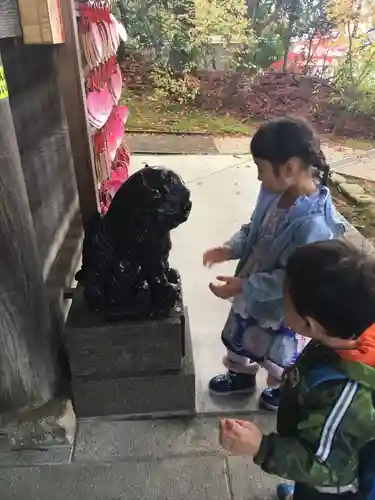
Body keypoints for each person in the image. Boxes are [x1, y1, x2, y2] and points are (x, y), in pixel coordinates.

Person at [203, 116, 345, 410]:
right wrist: (230, 248)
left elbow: (290, 278)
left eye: (261, 169)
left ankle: (284, 388)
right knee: (240, 332)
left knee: (278, 348)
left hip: (282, 304)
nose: (258, 177)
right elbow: (253, 229)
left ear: (290, 168)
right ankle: (240, 375)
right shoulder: (274, 192)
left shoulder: (313, 224)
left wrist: (243, 285)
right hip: (252, 288)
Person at [219, 239, 375, 500]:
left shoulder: (344, 393)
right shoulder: (345, 331)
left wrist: (262, 447)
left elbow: (325, 465)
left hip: (332, 488)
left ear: (310, 324)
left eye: (286, 297)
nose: (282, 300)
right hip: (319, 441)